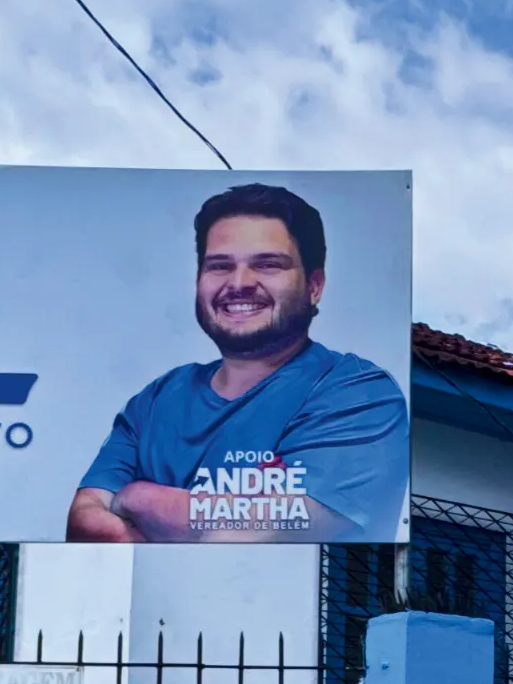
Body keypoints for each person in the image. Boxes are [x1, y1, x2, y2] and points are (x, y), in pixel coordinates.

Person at [66, 182, 409, 544]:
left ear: (314, 285)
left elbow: (242, 536)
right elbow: (84, 517)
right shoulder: (156, 400)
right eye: (219, 266)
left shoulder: (359, 394)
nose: (239, 283)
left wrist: (138, 498)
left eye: (268, 264)